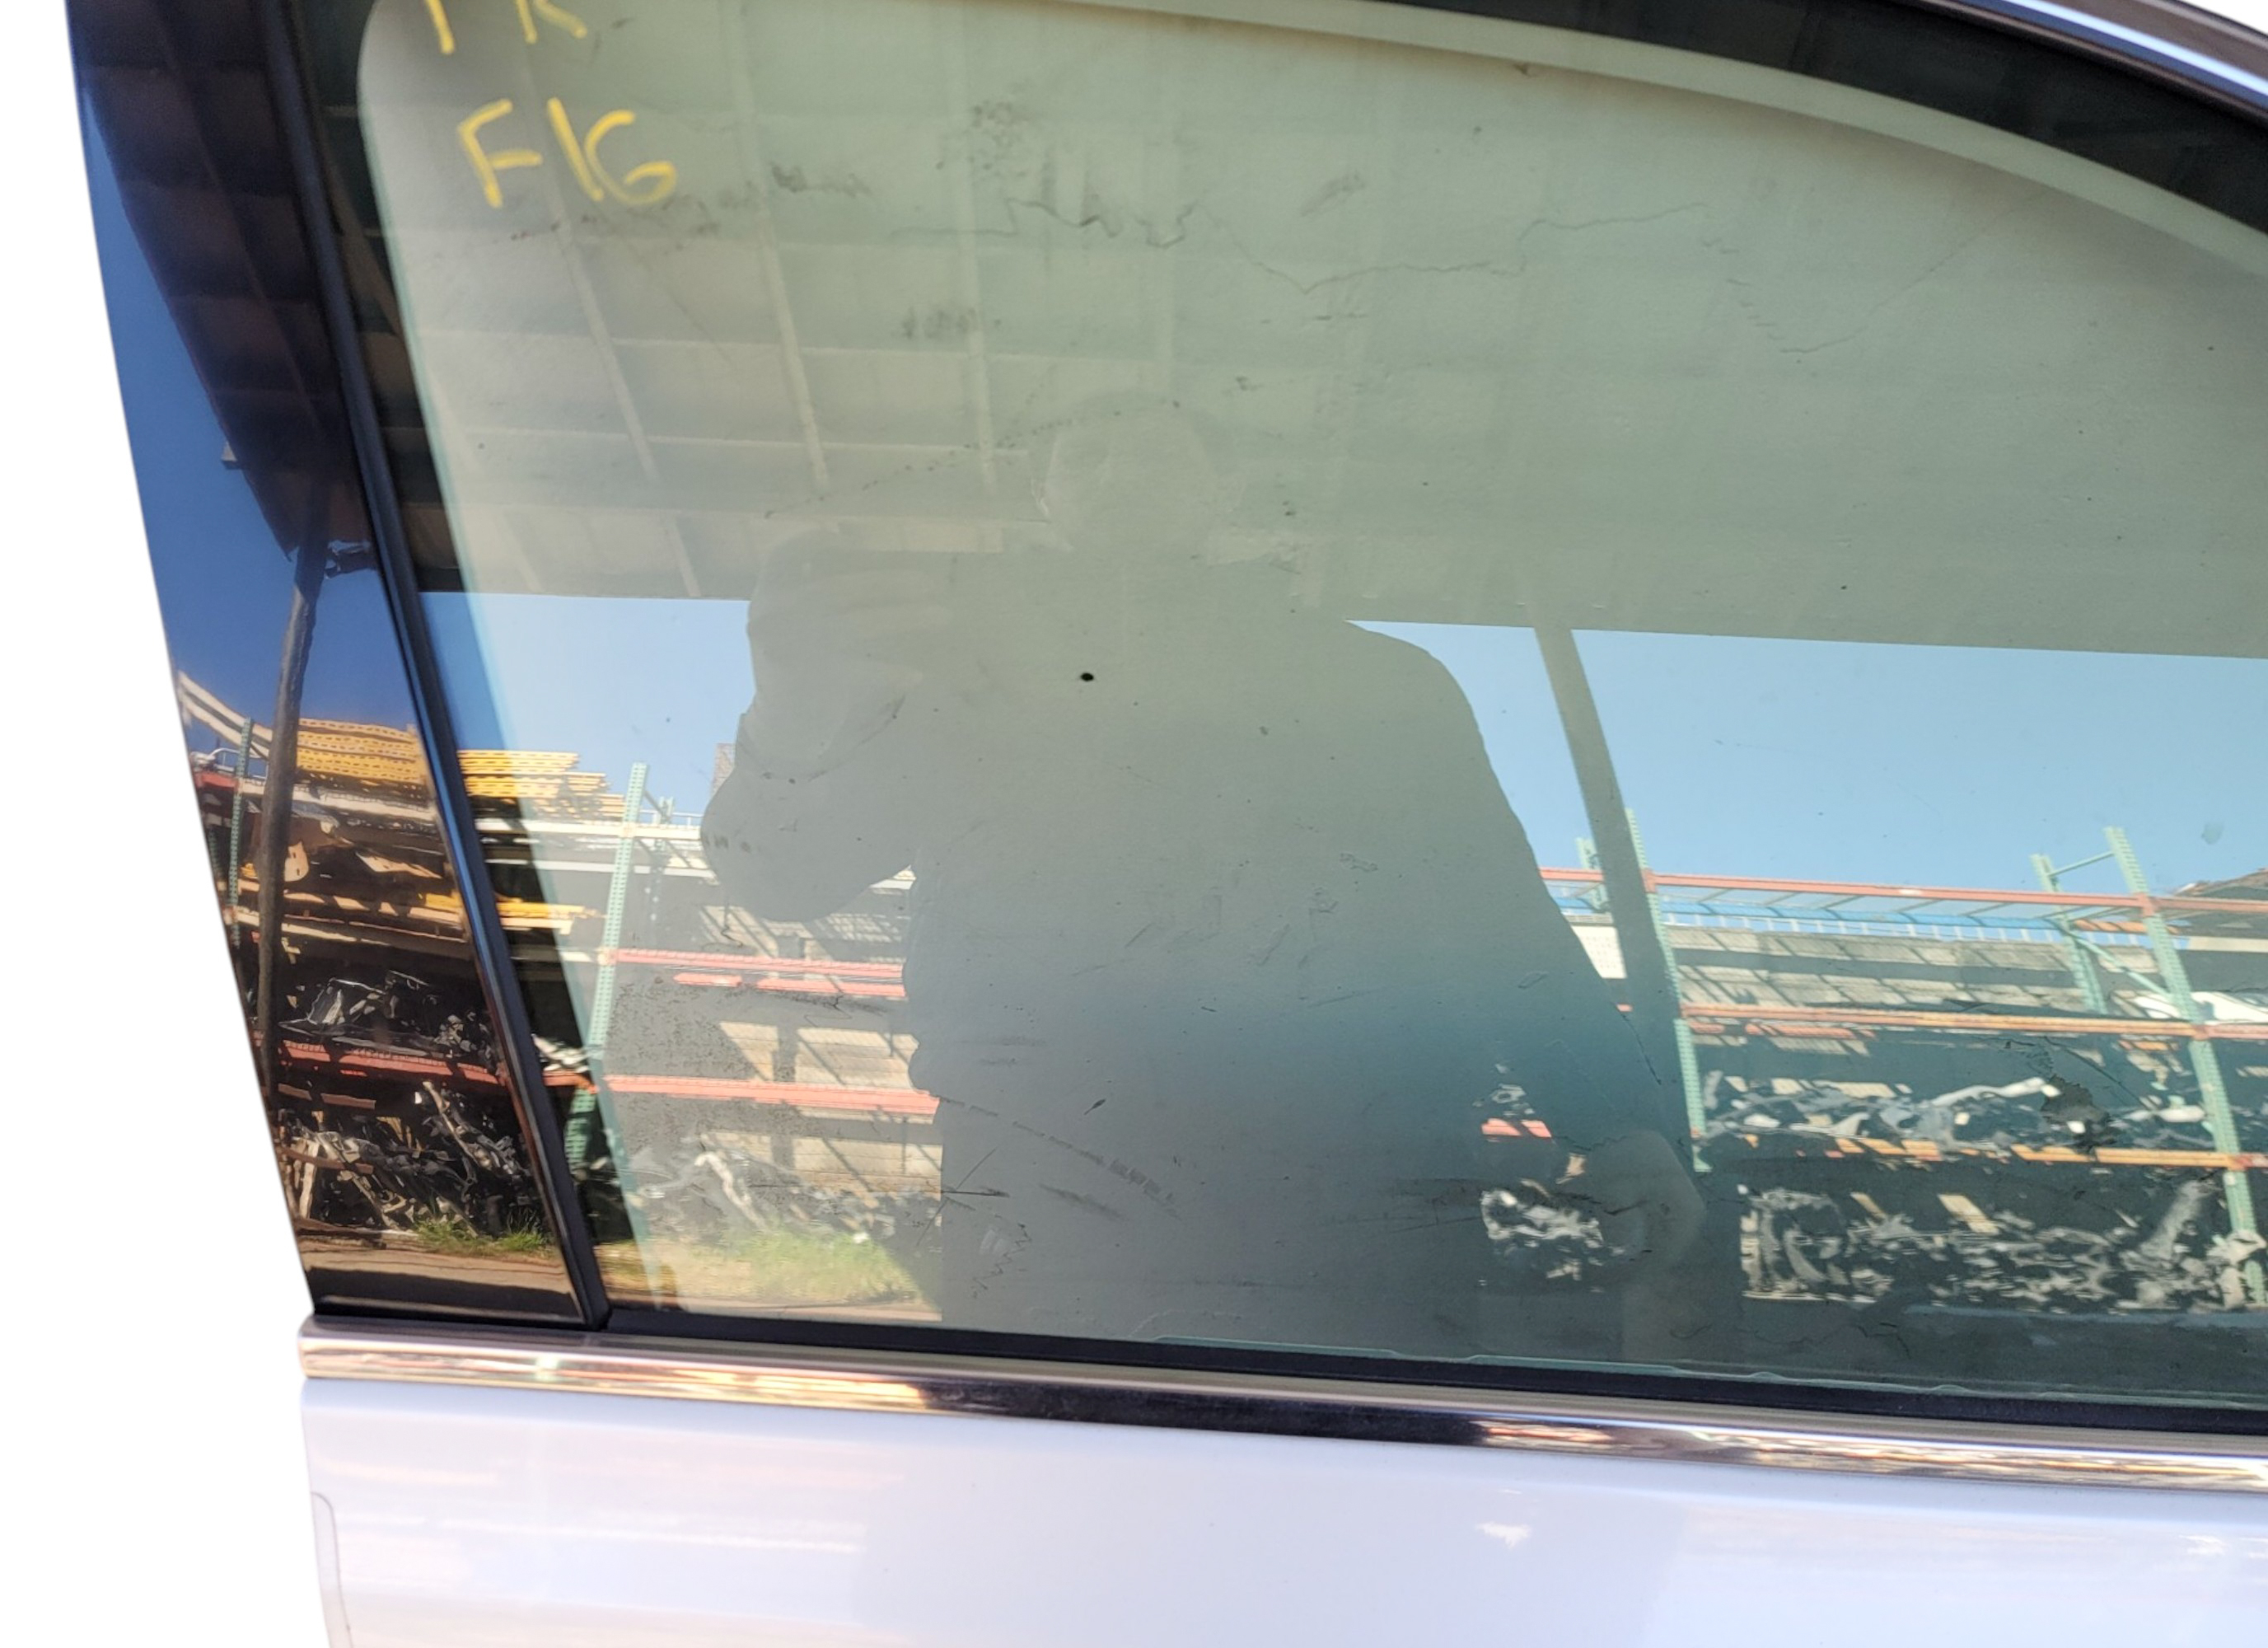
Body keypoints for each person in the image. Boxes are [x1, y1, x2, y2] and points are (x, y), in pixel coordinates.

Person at [703, 396, 1696, 1356]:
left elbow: (1493, 910)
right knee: (1054, 1460)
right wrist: (788, 710)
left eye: (1155, 451)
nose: (1119, 474)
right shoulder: (959, 683)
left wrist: (1617, 1119)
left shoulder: (1380, 684)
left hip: (1367, 1184)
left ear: (1223, 488)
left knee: (1347, 1462)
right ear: (1044, 493)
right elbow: (785, 879)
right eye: (1086, 455)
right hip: (1049, 1189)